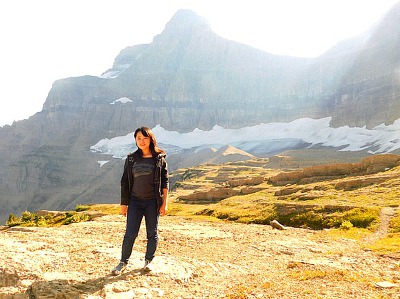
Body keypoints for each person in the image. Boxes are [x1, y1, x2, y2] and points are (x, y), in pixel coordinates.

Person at [112, 126, 169, 276]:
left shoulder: (159, 159)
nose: (142, 141)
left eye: (145, 138)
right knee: (130, 234)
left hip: (152, 202)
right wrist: (124, 204)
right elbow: (125, 182)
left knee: (152, 233)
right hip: (135, 202)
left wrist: (164, 203)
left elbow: (165, 183)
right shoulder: (131, 159)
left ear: (151, 139)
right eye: (139, 138)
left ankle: (149, 261)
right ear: (135, 140)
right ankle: (123, 262)